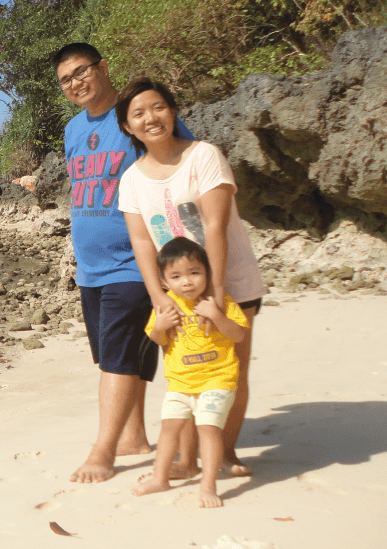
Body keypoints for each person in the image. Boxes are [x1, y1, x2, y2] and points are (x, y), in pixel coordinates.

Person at [51, 43, 193, 483]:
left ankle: (104, 452)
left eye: (82, 71)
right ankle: (134, 437)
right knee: (116, 356)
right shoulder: (74, 130)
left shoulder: (136, 116)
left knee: (116, 360)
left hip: (137, 262)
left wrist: (186, 259)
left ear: (103, 67)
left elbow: (185, 172)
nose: (76, 83)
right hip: (90, 266)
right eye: (66, 79)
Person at [115, 77, 267, 477]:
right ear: (127, 127)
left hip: (229, 284)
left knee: (230, 370)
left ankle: (228, 452)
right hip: (176, 294)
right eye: (139, 113)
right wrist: (158, 296)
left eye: (158, 107)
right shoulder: (131, 179)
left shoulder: (204, 156)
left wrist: (216, 294)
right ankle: (185, 460)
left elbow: (215, 226)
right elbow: (142, 241)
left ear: (174, 110)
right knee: (184, 375)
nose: (151, 117)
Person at [131, 237, 249, 508]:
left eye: (195, 273)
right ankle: (160, 478)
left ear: (207, 273)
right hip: (180, 383)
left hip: (218, 379)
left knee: (208, 428)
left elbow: (238, 336)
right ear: (164, 282)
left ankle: (208, 486)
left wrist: (217, 315)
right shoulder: (166, 306)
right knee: (168, 429)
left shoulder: (220, 302)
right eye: (176, 276)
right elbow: (159, 340)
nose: (187, 281)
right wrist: (160, 326)